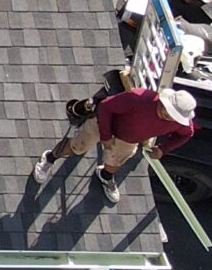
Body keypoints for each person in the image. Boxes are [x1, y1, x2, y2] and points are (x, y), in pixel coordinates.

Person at [33, 84, 198, 202]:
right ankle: (49, 158)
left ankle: (105, 176)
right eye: (168, 112)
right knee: (78, 146)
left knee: (116, 161)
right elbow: (105, 107)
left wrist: (163, 150)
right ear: (164, 102)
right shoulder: (138, 98)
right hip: (104, 125)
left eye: (174, 116)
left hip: (128, 140)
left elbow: (186, 134)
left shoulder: (180, 123)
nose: (169, 118)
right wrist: (106, 136)